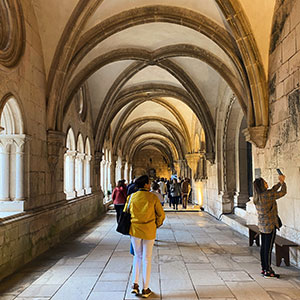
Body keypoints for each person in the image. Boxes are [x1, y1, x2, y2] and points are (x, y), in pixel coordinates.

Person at [124, 175, 165, 298]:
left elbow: (126, 212)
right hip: (149, 231)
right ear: (146, 185)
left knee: (137, 256)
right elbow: (161, 215)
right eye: (149, 182)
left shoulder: (131, 197)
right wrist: (155, 225)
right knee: (147, 258)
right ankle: (145, 289)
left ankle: (135, 285)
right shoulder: (152, 197)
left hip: (135, 230)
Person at [253, 174, 287, 278]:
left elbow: (272, 190)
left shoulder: (258, 196)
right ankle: (267, 270)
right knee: (268, 248)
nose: (267, 183)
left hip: (262, 226)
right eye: (265, 182)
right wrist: (283, 183)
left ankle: (264, 268)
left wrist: (279, 183)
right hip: (270, 226)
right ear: (262, 185)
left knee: (264, 248)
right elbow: (282, 192)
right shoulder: (267, 195)